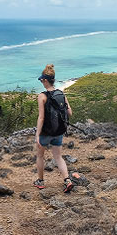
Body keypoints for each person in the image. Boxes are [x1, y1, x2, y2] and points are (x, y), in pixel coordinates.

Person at [34, 64, 75, 194]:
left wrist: (37, 135)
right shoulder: (61, 93)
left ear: (45, 80)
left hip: (46, 132)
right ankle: (67, 180)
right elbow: (70, 113)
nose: (41, 82)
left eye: (41, 80)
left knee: (40, 156)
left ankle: (40, 181)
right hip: (59, 131)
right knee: (58, 157)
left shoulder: (42, 96)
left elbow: (41, 118)